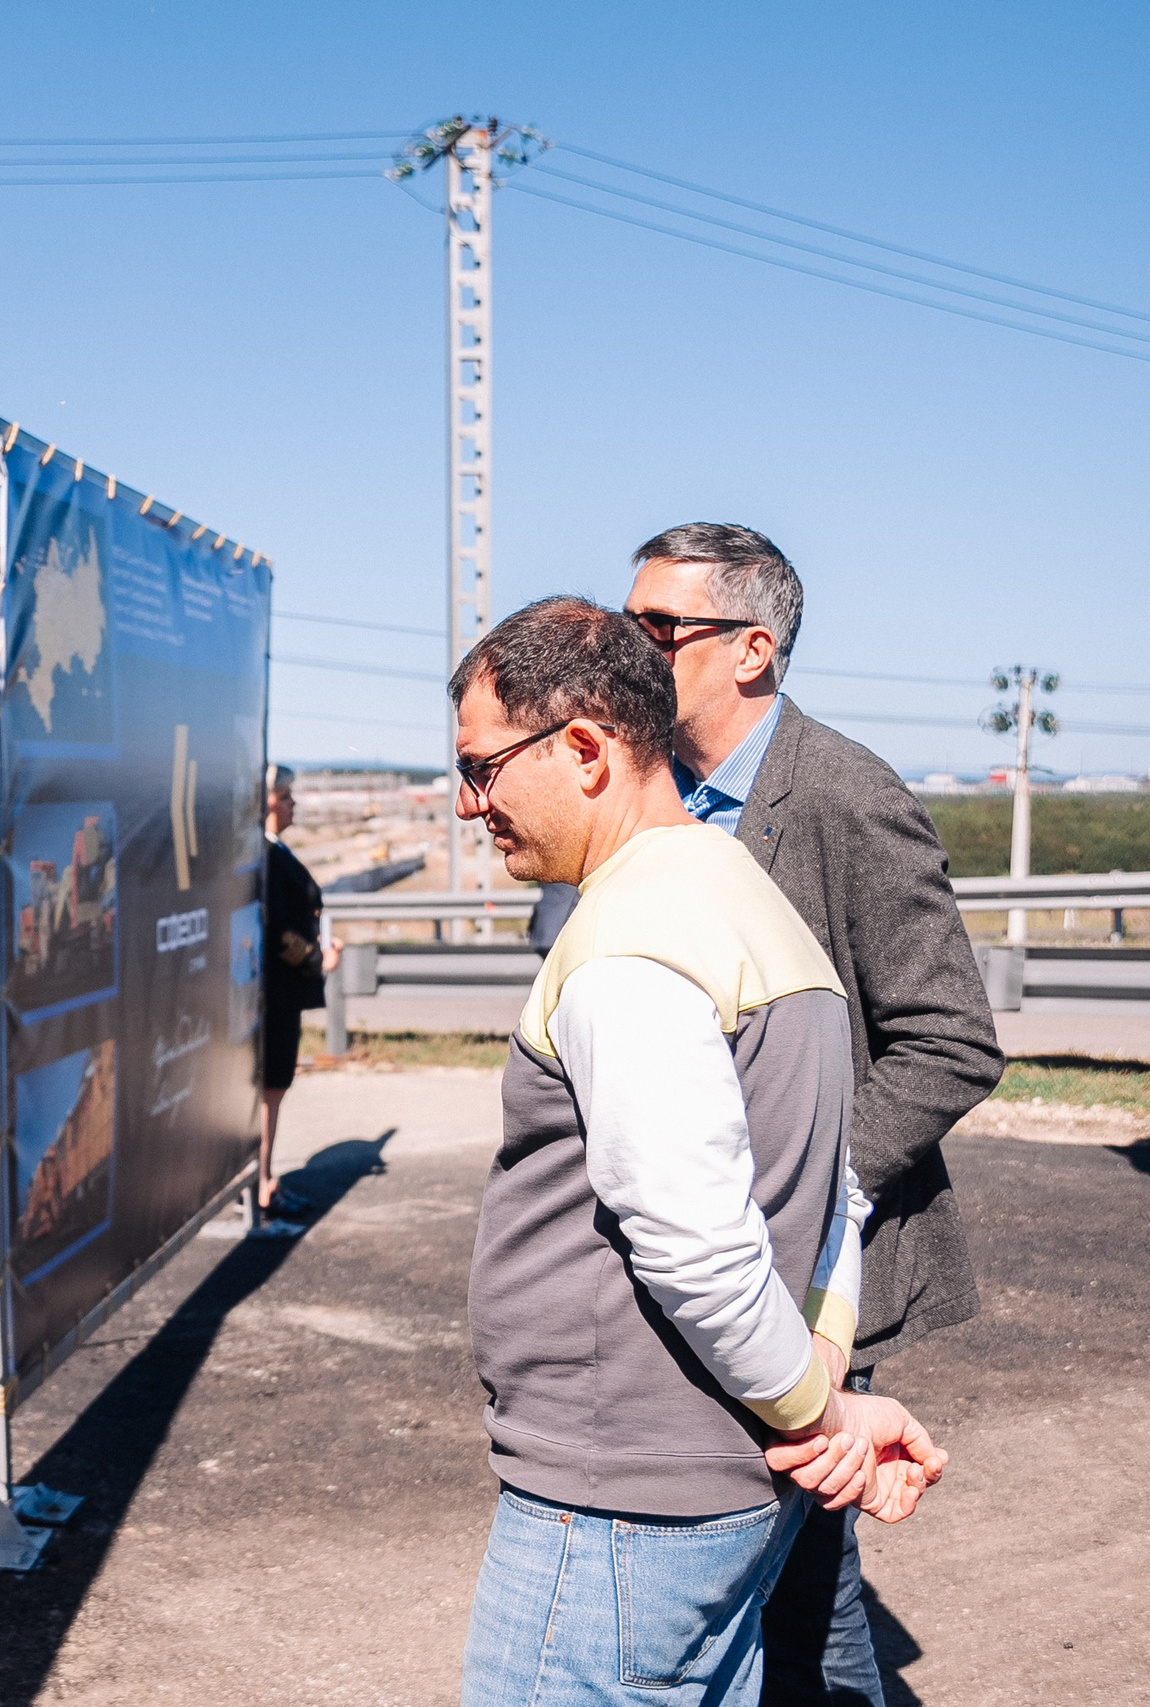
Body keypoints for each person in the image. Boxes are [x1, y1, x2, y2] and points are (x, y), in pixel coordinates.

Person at [453, 596, 946, 1707]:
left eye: (481, 769)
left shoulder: (631, 943)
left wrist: (821, 1417)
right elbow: (833, 1193)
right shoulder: (751, 906)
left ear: (582, 749)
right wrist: (823, 1387)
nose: (469, 803)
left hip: (617, 1499)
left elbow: (693, 1243)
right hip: (716, 1488)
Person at [622, 523, 1002, 1707]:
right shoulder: (646, 790)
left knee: (793, 1594)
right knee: (757, 1586)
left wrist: (814, 1181)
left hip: (806, 1265)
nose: (624, 653)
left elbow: (950, 1038)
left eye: (654, 632)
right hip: (689, 1247)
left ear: (752, 649)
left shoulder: (843, 796)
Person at [258, 765, 335, 1234]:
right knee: (268, 1091)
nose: (293, 804)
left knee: (274, 1090)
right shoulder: (264, 855)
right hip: (274, 992)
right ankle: (262, 1184)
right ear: (268, 801)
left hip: (281, 992)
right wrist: (314, 959)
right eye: (286, 796)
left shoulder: (273, 850)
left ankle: (263, 1180)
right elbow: (275, 928)